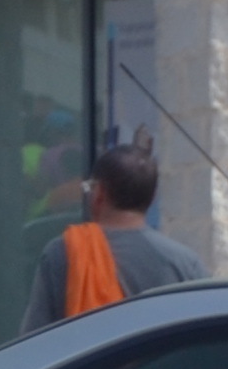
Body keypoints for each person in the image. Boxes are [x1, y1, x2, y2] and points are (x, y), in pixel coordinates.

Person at [25, 136, 211, 326]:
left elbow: (34, 340)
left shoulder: (63, 252)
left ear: (99, 193)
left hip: (91, 356)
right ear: (153, 198)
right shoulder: (185, 264)